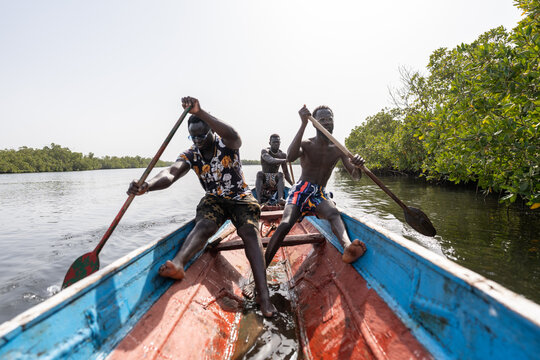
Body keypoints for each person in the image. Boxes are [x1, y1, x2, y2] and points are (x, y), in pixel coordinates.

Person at [127, 97, 276, 317]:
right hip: (214, 199)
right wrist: (146, 186)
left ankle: (264, 297)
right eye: (192, 136)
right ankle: (178, 264)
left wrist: (201, 111)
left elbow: (235, 136)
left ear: (211, 132)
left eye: (201, 135)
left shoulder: (226, 143)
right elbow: (170, 173)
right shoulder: (191, 154)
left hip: (240, 197)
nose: (196, 140)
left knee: (249, 233)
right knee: (204, 224)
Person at [264, 105, 367, 267]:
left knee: (333, 213)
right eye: (322, 120)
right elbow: (290, 157)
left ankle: (347, 247)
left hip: (319, 193)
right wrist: (303, 123)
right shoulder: (306, 144)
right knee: (285, 224)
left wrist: (359, 167)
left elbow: (355, 176)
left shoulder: (339, 149)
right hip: (301, 190)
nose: (327, 123)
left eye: (329, 119)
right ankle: (262, 266)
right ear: (315, 123)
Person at [255, 134, 293, 204]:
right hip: (264, 179)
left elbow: (286, 172)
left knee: (281, 174)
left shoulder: (282, 155)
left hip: (275, 180)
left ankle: (280, 199)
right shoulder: (265, 151)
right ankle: (259, 199)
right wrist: (285, 160)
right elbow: (270, 160)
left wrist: (293, 184)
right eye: (274, 142)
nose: (276, 144)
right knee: (259, 173)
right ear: (270, 143)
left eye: (278, 142)